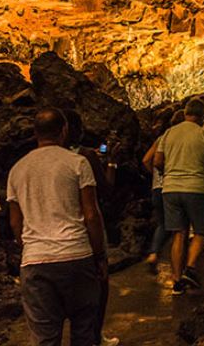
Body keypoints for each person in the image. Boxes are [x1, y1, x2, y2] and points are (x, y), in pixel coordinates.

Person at [8, 109, 108, 346]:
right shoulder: (77, 163)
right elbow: (91, 214)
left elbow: (15, 222)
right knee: (84, 332)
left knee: (45, 338)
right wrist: (100, 255)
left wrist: (29, 246)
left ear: (35, 133)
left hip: (36, 262)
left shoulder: (17, 169)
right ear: (64, 130)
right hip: (76, 256)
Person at [62, 109, 120, 346]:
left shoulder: (36, 159)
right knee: (98, 284)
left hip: (50, 240)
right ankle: (94, 336)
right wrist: (112, 161)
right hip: (84, 231)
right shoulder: (85, 157)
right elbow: (105, 190)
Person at [153, 99, 204, 295]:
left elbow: (157, 161)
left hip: (170, 188)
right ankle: (190, 268)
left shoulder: (169, 133)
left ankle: (176, 280)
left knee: (178, 234)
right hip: (195, 187)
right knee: (199, 232)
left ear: (186, 112)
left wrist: (169, 173)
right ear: (203, 116)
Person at [142, 111, 185, 274]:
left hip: (157, 187)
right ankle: (178, 267)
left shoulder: (162, 139)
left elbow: (146, 160)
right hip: (174, 186)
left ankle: (154, 253)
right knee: (177, 228)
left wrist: (154, 175)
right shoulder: (183, 140)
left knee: (162, 223)